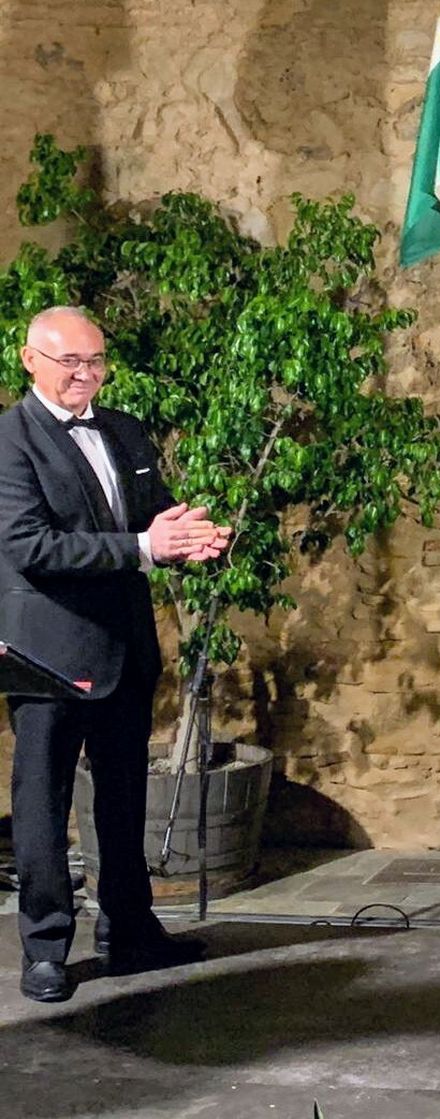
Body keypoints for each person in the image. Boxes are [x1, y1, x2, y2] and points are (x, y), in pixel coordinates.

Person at [0, 306, 231, 1003]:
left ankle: (129, 931)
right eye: (71, 361)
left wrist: (193, 538)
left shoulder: (125, 428)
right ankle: (45, 947)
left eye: (96, 361)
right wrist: (142, 548)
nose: (86, 374)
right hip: (47, 652)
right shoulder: (8, 439)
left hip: (126, 646)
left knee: (124, 797)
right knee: (43, 804)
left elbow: (154, 518)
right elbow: (27, 545)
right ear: (30, 360)